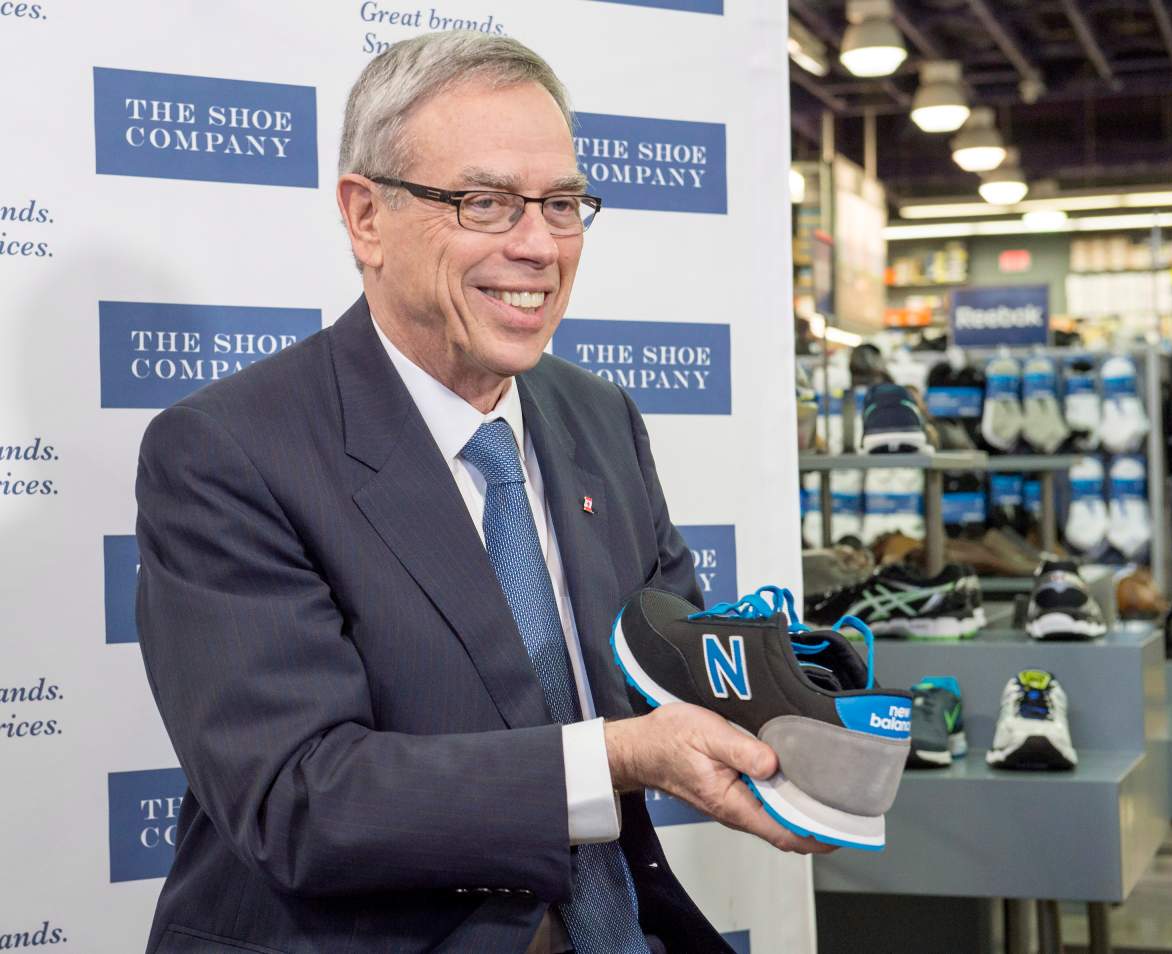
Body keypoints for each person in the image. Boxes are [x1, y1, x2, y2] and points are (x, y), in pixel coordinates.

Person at [135, 31, 829, 954]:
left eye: (562, 203)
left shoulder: (600, 417)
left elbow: (668, 664)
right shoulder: (227, 452)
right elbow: (298, 798)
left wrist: (801, 712)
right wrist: (618, 757)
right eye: (486, 202)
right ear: (365, 216)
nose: (540, 245)